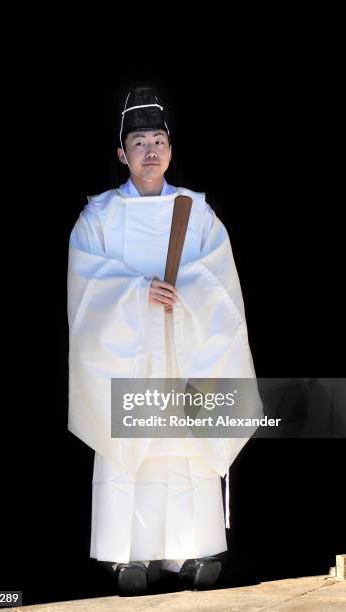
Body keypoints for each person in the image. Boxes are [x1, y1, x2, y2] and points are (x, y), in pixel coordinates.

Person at [67, 85, 262, 595]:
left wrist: (186, 293)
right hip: (127, 356)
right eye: (139, 143)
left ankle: (191, 551)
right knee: (129, 443)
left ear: (170, 149)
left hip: (184, 350)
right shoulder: (99, 217)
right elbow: (86, 285)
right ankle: (127, 557)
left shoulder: (197, 212)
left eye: (158, 141)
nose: (149, 151)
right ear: (121, 154)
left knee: (186, 444)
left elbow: (221, 276)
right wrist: (135, 294)